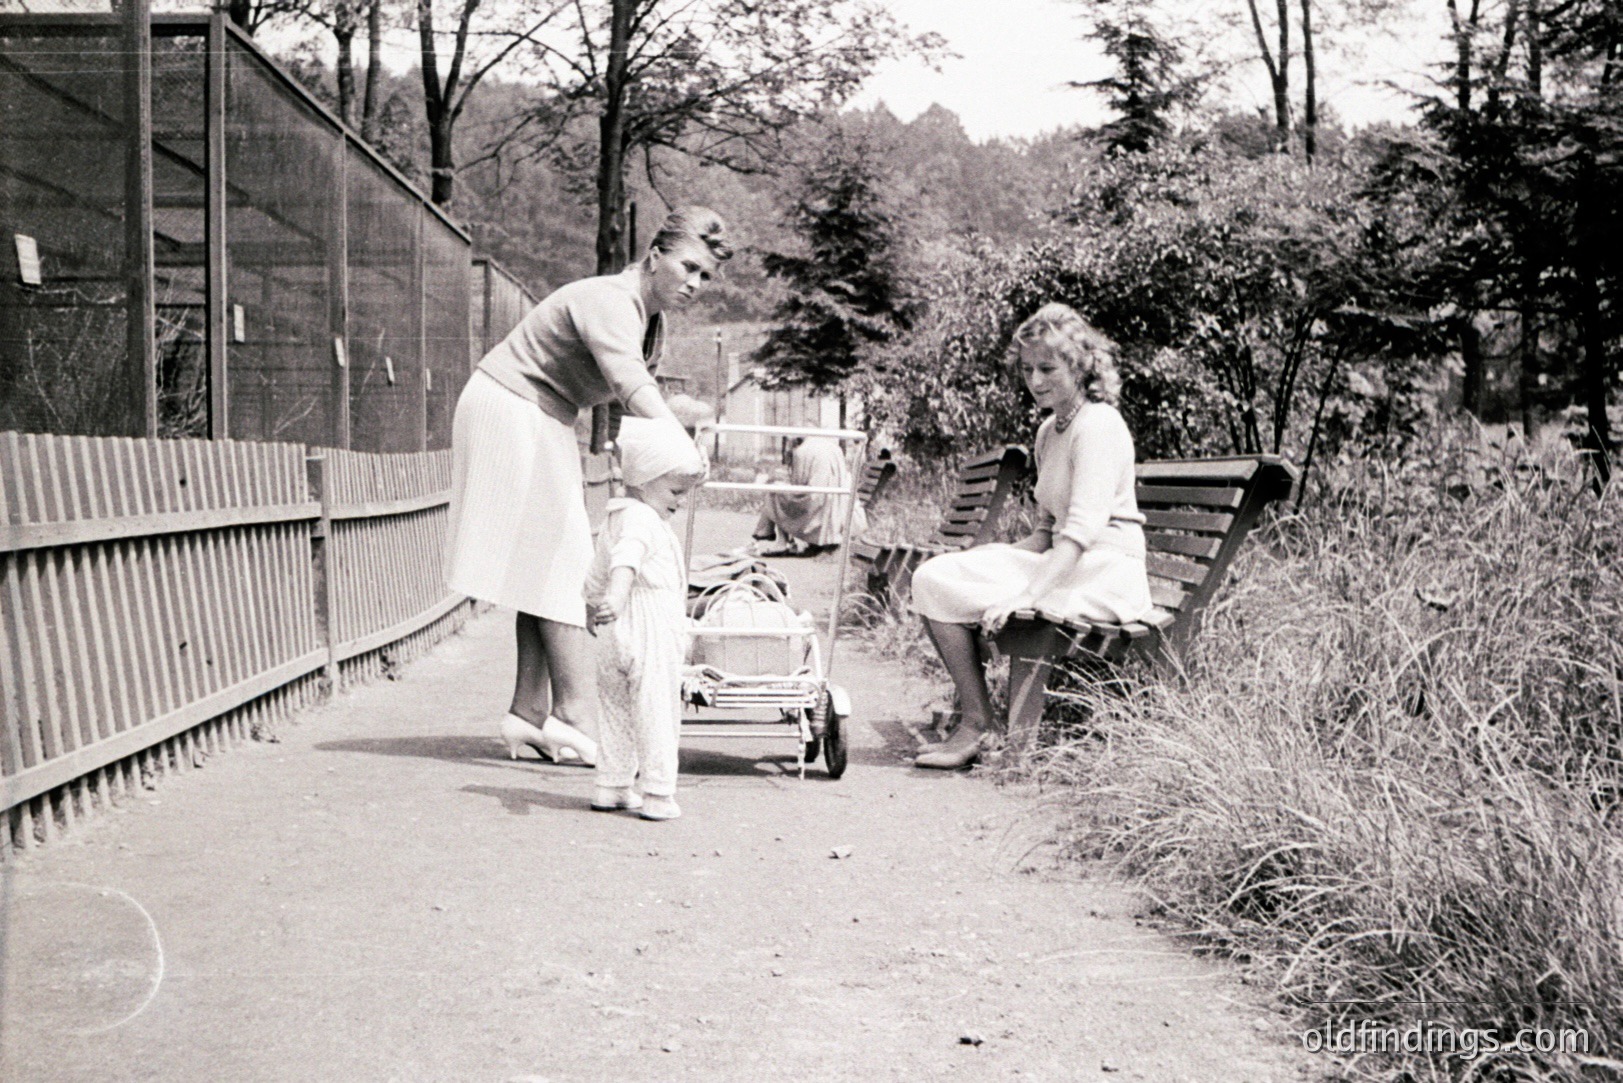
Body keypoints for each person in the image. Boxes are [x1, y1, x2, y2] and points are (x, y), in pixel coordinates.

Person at [445, 206, 732, 765]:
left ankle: (527, 713)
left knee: (541, 562)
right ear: (655, 257)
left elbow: (641, 396)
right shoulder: (609, 299)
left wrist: (685, 432)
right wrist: (681, 445)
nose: (695, 284)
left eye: (706, 277)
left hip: (543, 413)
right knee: (571, 561)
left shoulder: (651, 322)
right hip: (511, 404)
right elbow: (628, 383)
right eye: (689, 268)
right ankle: (574, 714)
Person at [909, 303, 1153, 770]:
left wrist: (1025, 594)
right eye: (1026, 369)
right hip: (1064, 563)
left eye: (1047, 368)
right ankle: (978, 722)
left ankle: (978, 729)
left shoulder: (1099, 425)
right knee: (933, 578)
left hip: (1105, 572)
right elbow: (1045, 532)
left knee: (991, 594)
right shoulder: (1048, 430)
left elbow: (1080, 533)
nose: (1035, 381)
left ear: (1079, 365)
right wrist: (990, 559)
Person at [584, 416, 705, 820]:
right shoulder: (643, 520)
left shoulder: (615, 515)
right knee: (656, 708)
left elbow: (598, 569)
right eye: (674, 490)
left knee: (615, 706)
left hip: (612, 631)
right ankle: (657, 793)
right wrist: (616, 597)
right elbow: (625, 563)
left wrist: (594, 604)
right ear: (645, 479)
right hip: (648, 621)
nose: (680, 500)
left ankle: (612, 785)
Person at [751, 436, 868, 556]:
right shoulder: (833, 447)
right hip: (838, 502)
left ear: (796, 440)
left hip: (816, 502)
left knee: (774, 491)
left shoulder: (801, 451)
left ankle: (780, 541)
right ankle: (770, 535)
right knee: (780, 491)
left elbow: (798, 483)